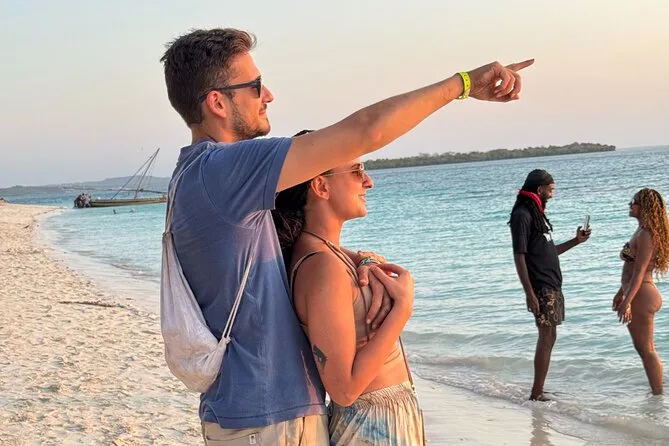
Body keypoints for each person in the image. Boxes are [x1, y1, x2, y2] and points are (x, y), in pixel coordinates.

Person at [160, 27, 533, 444]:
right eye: (256, 86)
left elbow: (272, 256)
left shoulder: (198, 178)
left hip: (250, 413)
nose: (268, 96)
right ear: (217, 102)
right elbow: (365, 131)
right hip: (267, 418)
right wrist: (462, 84)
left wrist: (357, 260)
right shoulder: (221, 170)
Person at [272, 132, 423, 445]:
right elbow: (343, 390)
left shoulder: (326, 254)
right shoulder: (322, 266)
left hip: (380, 420)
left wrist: (367, 260)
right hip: (371, 425)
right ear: (321, 186)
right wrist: (403, 309)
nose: (368, 182)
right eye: (356, 171)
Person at [509, 169, 591, 401]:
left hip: (552, 285)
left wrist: (576, 241)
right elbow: (519, 255)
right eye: (551, 190)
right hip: (541, 286)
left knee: (551, 336)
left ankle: (539, 389)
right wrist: (529, 293)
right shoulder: (522, 215)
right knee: (546, 337)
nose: (553, 194)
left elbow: (548, 251)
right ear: (540, 189)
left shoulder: (537, 215)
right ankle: (536, 394)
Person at [613, 188, 669, 395]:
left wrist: (627, 301)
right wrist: (621, 293)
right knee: (643, 349)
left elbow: (639, 272)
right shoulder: (640, 230)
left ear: (645, 207)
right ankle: (656, 393)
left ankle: (658, 395)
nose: (630, 205)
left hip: (642, 294)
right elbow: (630, 269)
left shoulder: (646, 235)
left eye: (634, 202)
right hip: (637, 292)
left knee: (647, 349)